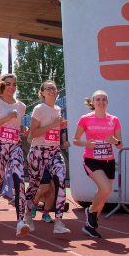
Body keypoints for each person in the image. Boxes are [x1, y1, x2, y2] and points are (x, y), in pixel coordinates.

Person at [0, 74, 29, 237]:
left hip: (15, 146)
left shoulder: (21, 106)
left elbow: (16, 127)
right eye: (8, 84)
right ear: (2, 85)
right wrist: (6, 118)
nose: (12, 87)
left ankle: (20, 221)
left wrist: (22, 130)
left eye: (14, 84)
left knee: (19, 179)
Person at [74, 90, 123, 238]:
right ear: (93, 102)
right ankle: (90, 212)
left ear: (107, 102)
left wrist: (115, 141)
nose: (101, 102)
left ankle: (89, 226)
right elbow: (76, 140)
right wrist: (87, 144)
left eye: (104, 99)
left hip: (108, 160)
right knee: (106, 188)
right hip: (92, 160)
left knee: (104, 193)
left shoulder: (114, 119)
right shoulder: (85, 119)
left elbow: (120, 145)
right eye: (98, 99)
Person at [24, 81, 70, 236]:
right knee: (34, 185)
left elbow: (55, 131)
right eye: (48, 88)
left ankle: (59, 222)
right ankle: (28, 215)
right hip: (38, 151)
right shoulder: (39, 109)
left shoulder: (58, 109)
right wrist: (53, 124)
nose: (52, 90)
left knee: (61, 182)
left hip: (54, 152)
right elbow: (33, 134)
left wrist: (61, 131)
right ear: (42, 92)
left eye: (54, 88)